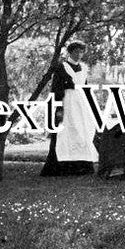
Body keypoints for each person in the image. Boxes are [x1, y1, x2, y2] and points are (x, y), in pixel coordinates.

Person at [40, 41, 97, 176]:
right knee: (65, 133)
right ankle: (61, 167)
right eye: (76, 51)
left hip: (81, 104)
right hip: (68, 102)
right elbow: (56, 88)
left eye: (81, 52)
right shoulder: (62, 67)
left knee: (82, 133)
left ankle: (82, 167)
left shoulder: (83, 68)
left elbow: (85, 87)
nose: (79, 54)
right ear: (70, 52)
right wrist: (59, 108)